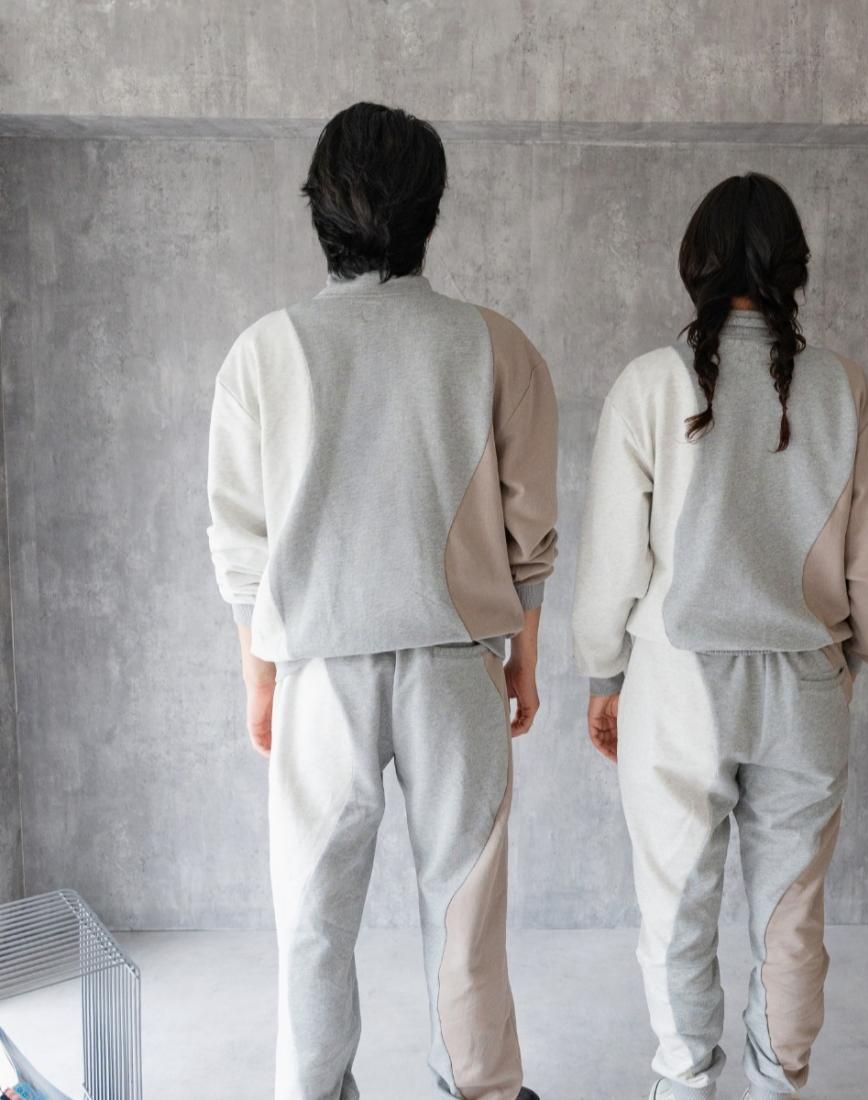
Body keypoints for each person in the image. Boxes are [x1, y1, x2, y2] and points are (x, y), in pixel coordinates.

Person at [206, 102, 556, 1100]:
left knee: (311, 917)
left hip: (319, 669)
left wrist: (259, 676)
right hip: (456, 664)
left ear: (318, 205)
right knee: (464, 909)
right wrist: (524, 659)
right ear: (428, 212)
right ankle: (480, 1089)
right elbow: (529, 528)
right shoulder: (495, 344)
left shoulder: (263, 351)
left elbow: (241, 541)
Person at [572, 173, 868, 1100]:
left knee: (676, 904)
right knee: (791, 915)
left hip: (678, 688)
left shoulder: (650, 382)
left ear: (698, 264)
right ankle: (777, 1083)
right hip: (806, 684)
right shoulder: (845, 388)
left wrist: (603, 675)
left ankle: (685, 1082)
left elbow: (611, 565)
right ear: (793, 266)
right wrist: (854, 658)